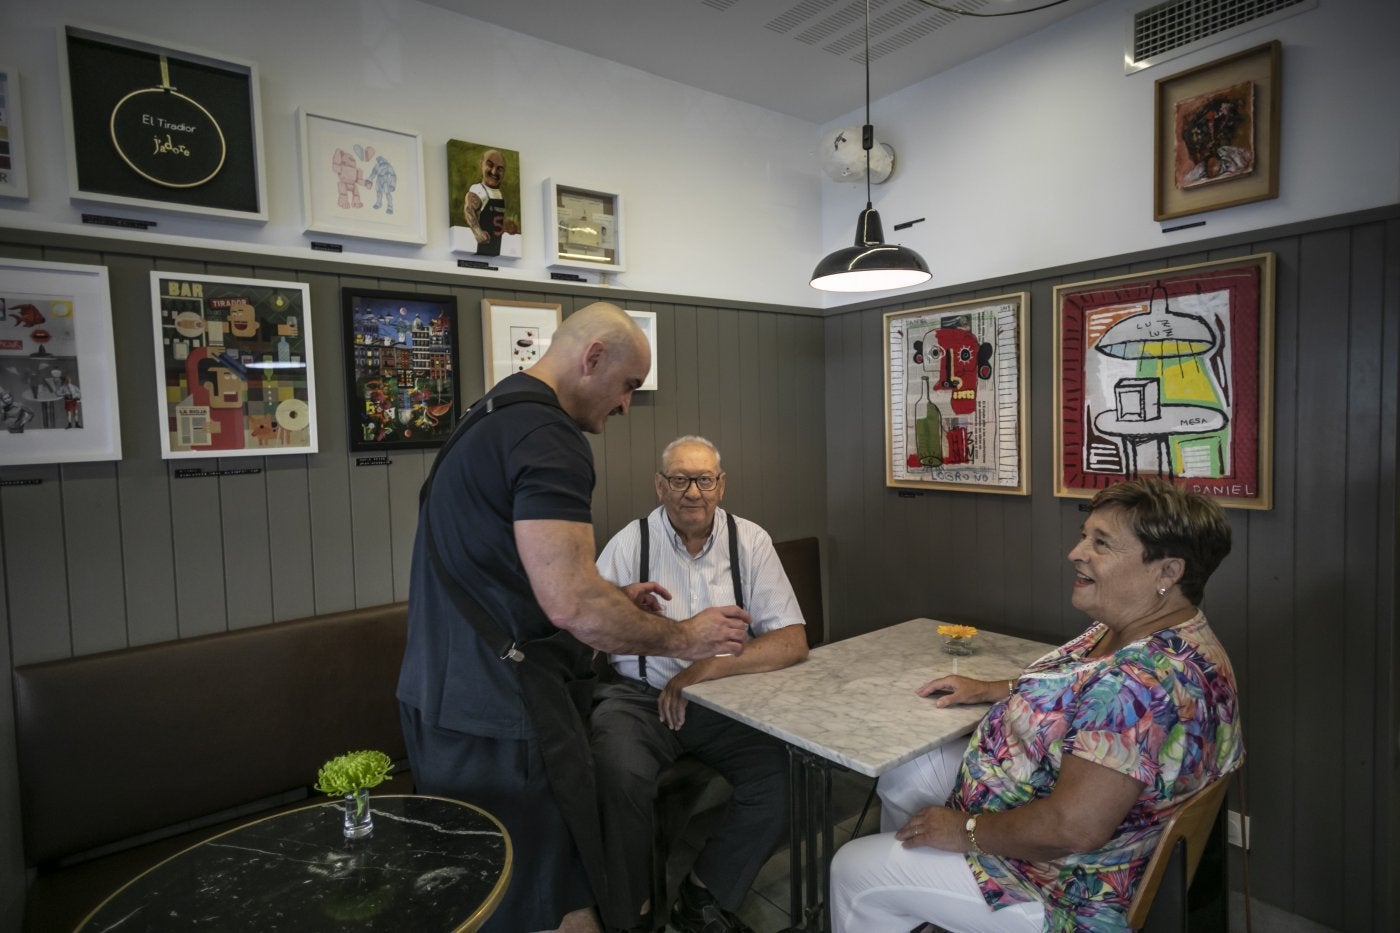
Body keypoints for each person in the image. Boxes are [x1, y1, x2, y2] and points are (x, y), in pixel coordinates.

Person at [397, 303, 751, 933]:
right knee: (556, 902)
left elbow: (525, 577)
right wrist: (685, 635)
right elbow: (573, 605)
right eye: (627, 387)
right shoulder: (550, 438)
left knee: (489, 891)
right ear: (591, 359)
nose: (624, 407)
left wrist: (613, 600)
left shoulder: (486, 417)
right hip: (504, 712)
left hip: (438, 698)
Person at [830, 478, 1244, 933]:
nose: (1076, 552)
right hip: (1032, 801)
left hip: (1061, 884)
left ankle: (895, 894)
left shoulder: (1141, 683)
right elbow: (1075, 684)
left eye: (1101, 543)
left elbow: (1071, 829)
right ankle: (920, 902)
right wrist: (994, 687)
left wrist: (963, 831)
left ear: (1167, 572)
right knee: (908, 769)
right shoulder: (1144, 629)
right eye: (1085, 535)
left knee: (855, 870)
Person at [591, 435, 809, 933]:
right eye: (680, 480)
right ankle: (633, 913)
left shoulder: (749, 540)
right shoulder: (631, 542)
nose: (693, 492)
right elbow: (588, 632)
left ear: (721, 485)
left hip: (722, 698)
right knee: (616, 774)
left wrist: (705, 669)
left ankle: (703, 892)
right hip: (638, 699)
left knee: (781, 778)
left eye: (704, 479)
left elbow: (792, 640)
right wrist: (623, 609)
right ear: (660, 486)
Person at [463, 148, 509, 256]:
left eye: (499, 169)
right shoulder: (478, 189)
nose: (494, 172)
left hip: (495, 249)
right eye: (490, 165)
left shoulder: (498, 193)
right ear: (481, 165)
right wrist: (478, 233)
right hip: (483, 248)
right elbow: (468, 210)